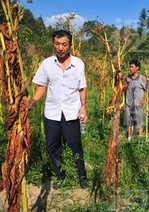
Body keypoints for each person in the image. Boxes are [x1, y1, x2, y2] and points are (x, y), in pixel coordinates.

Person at [28, 30, 89, 189]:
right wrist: (32, 102)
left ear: (70, 45)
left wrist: (83, 107)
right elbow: (42, 87)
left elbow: (82, 88)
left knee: (74, 143)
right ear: (53, 43)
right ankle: (60, 175)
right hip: (52, 112)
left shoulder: (78, 64)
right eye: (57, 44)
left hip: (71, 111)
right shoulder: (47, 64)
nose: (60, 48)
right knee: (52, 145)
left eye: (64, 44)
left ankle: (81, 175)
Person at [123, 59, 149, 140]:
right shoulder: (127, 78)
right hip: (129, 105)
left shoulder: (142, 79)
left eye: (132, 67)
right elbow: (124, 89)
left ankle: (139, 141)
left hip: (138, 106)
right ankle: (129, 139)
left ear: (137, 68)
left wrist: (146, 101)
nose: (130, 69)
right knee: (129, 123)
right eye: (130, 67)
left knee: (139, 124)